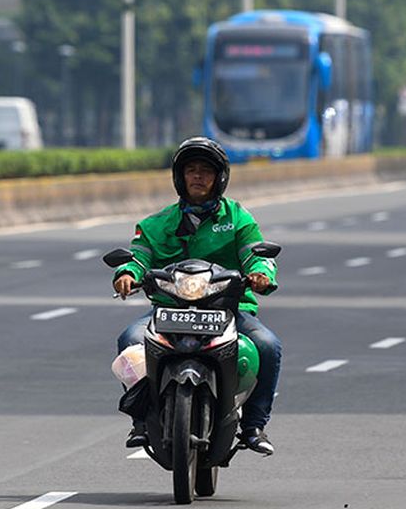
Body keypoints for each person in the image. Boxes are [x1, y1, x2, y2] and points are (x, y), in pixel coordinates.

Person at [112, 136, 281, 455]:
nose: (198, 177)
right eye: (191, 170)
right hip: (168, 311)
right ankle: (141, 420)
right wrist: (126, 275)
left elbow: (256, 256)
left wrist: (261, 275)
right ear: (180, 177)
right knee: (130, 340)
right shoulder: (156, 224)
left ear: (220, 178)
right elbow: (138, 258)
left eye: (206, 170)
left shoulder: (238, 220)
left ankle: (253, 426)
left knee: (268, 346)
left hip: (228, 311)